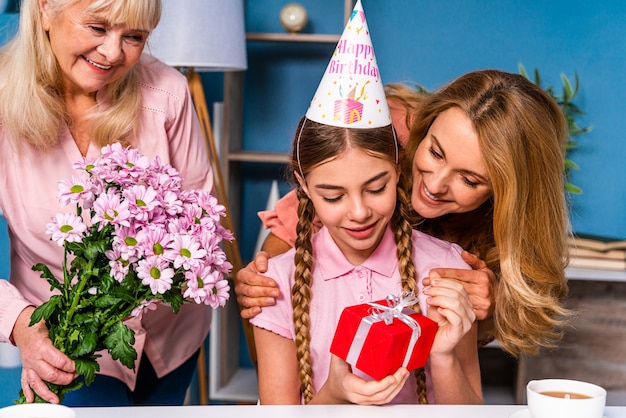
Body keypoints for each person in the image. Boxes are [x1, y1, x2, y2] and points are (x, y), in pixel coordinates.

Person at [238, 68, 571, 358]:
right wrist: (265, 281)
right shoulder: (387, 130)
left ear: (508, 194)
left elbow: (518, 321)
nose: (436, 185)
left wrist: (492, 306)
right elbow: (297, 220)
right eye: (435, 152)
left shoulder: (504, 235)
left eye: (469, 179)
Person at [250, 0, 481, 405]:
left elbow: (472, 412)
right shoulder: (278, 286)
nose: (359, 212)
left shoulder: (448, 271)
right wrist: (336, 394)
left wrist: (442, 355)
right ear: (303, 186)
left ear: (398, 171)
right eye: (333, 195)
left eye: (376, 188)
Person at [0, 0, 213, 406]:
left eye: (133, 37)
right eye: (97, 28)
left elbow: (199, 219)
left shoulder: (167, 94)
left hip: (172, 340)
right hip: (65, 341)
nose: (114, 53)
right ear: (45, 8)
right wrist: (20, 323)